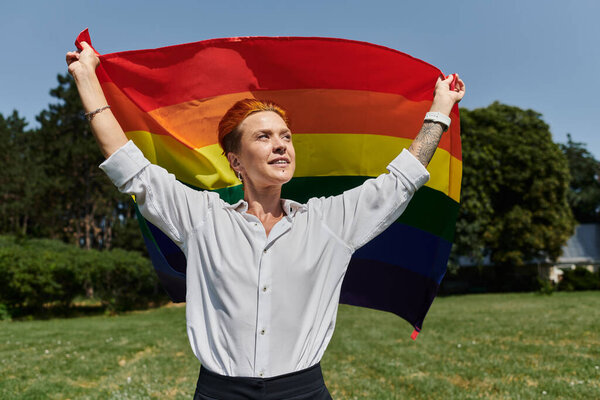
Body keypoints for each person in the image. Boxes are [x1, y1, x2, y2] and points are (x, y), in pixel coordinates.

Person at [66, 41, 465, 400]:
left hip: (303, 391)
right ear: (236, 161)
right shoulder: (201, 218)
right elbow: (129, 167)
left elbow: (398, 183)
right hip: (219, 392)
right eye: (263, 137)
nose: (280, 145)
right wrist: (87, 77)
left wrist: (439, 110)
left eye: (285, 136)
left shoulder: (328, 222)